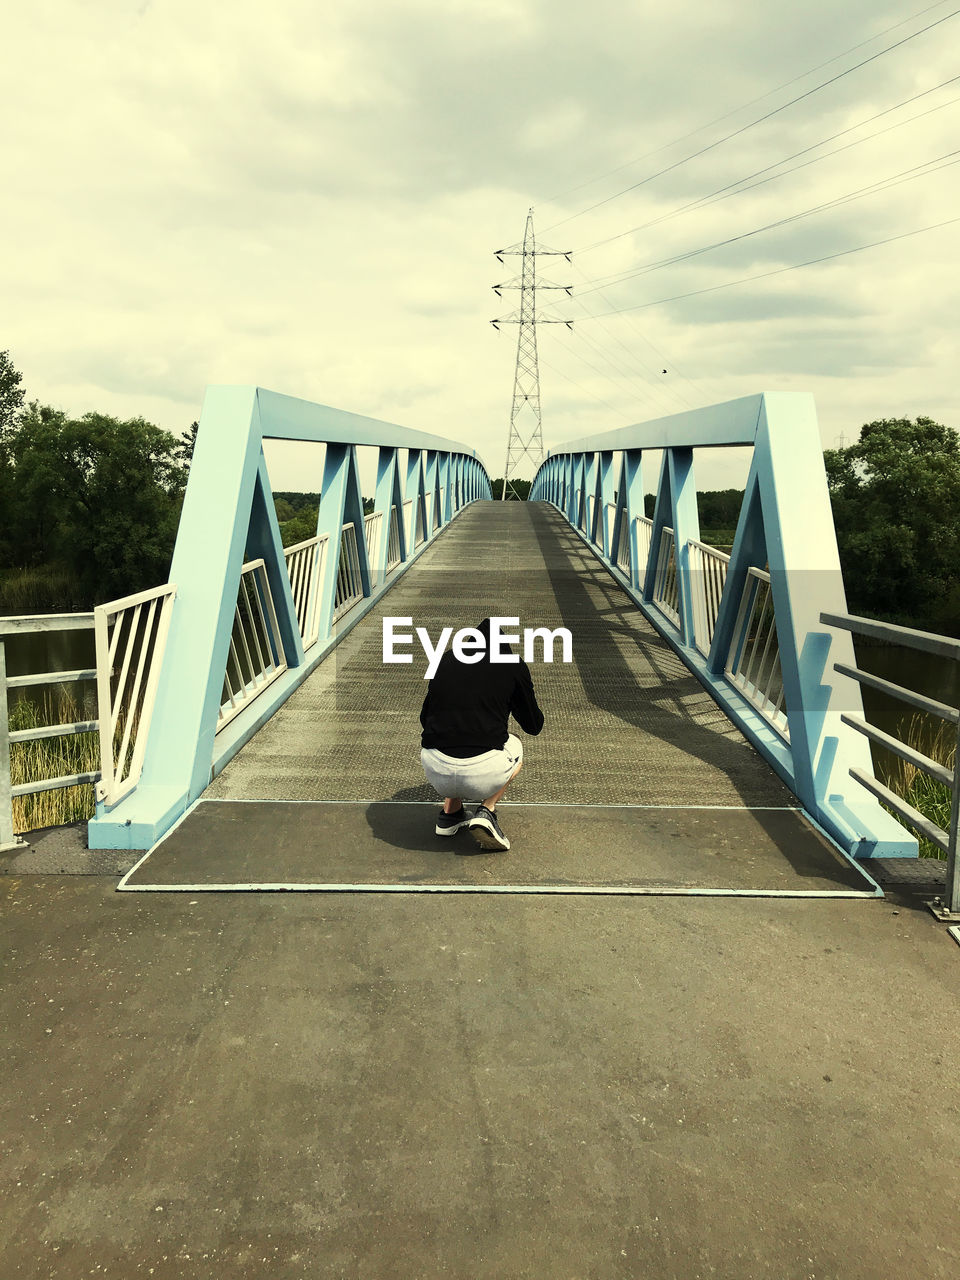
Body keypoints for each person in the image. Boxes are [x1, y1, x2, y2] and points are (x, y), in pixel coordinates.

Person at [419, 617, 544, 852]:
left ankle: (450, 814)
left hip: (435, 767)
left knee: (452, 734)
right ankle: (487, 810)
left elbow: (424, 719)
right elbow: (533, 726)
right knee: (514, 744)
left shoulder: (444, 660)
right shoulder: (512, 664)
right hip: (483, 770)